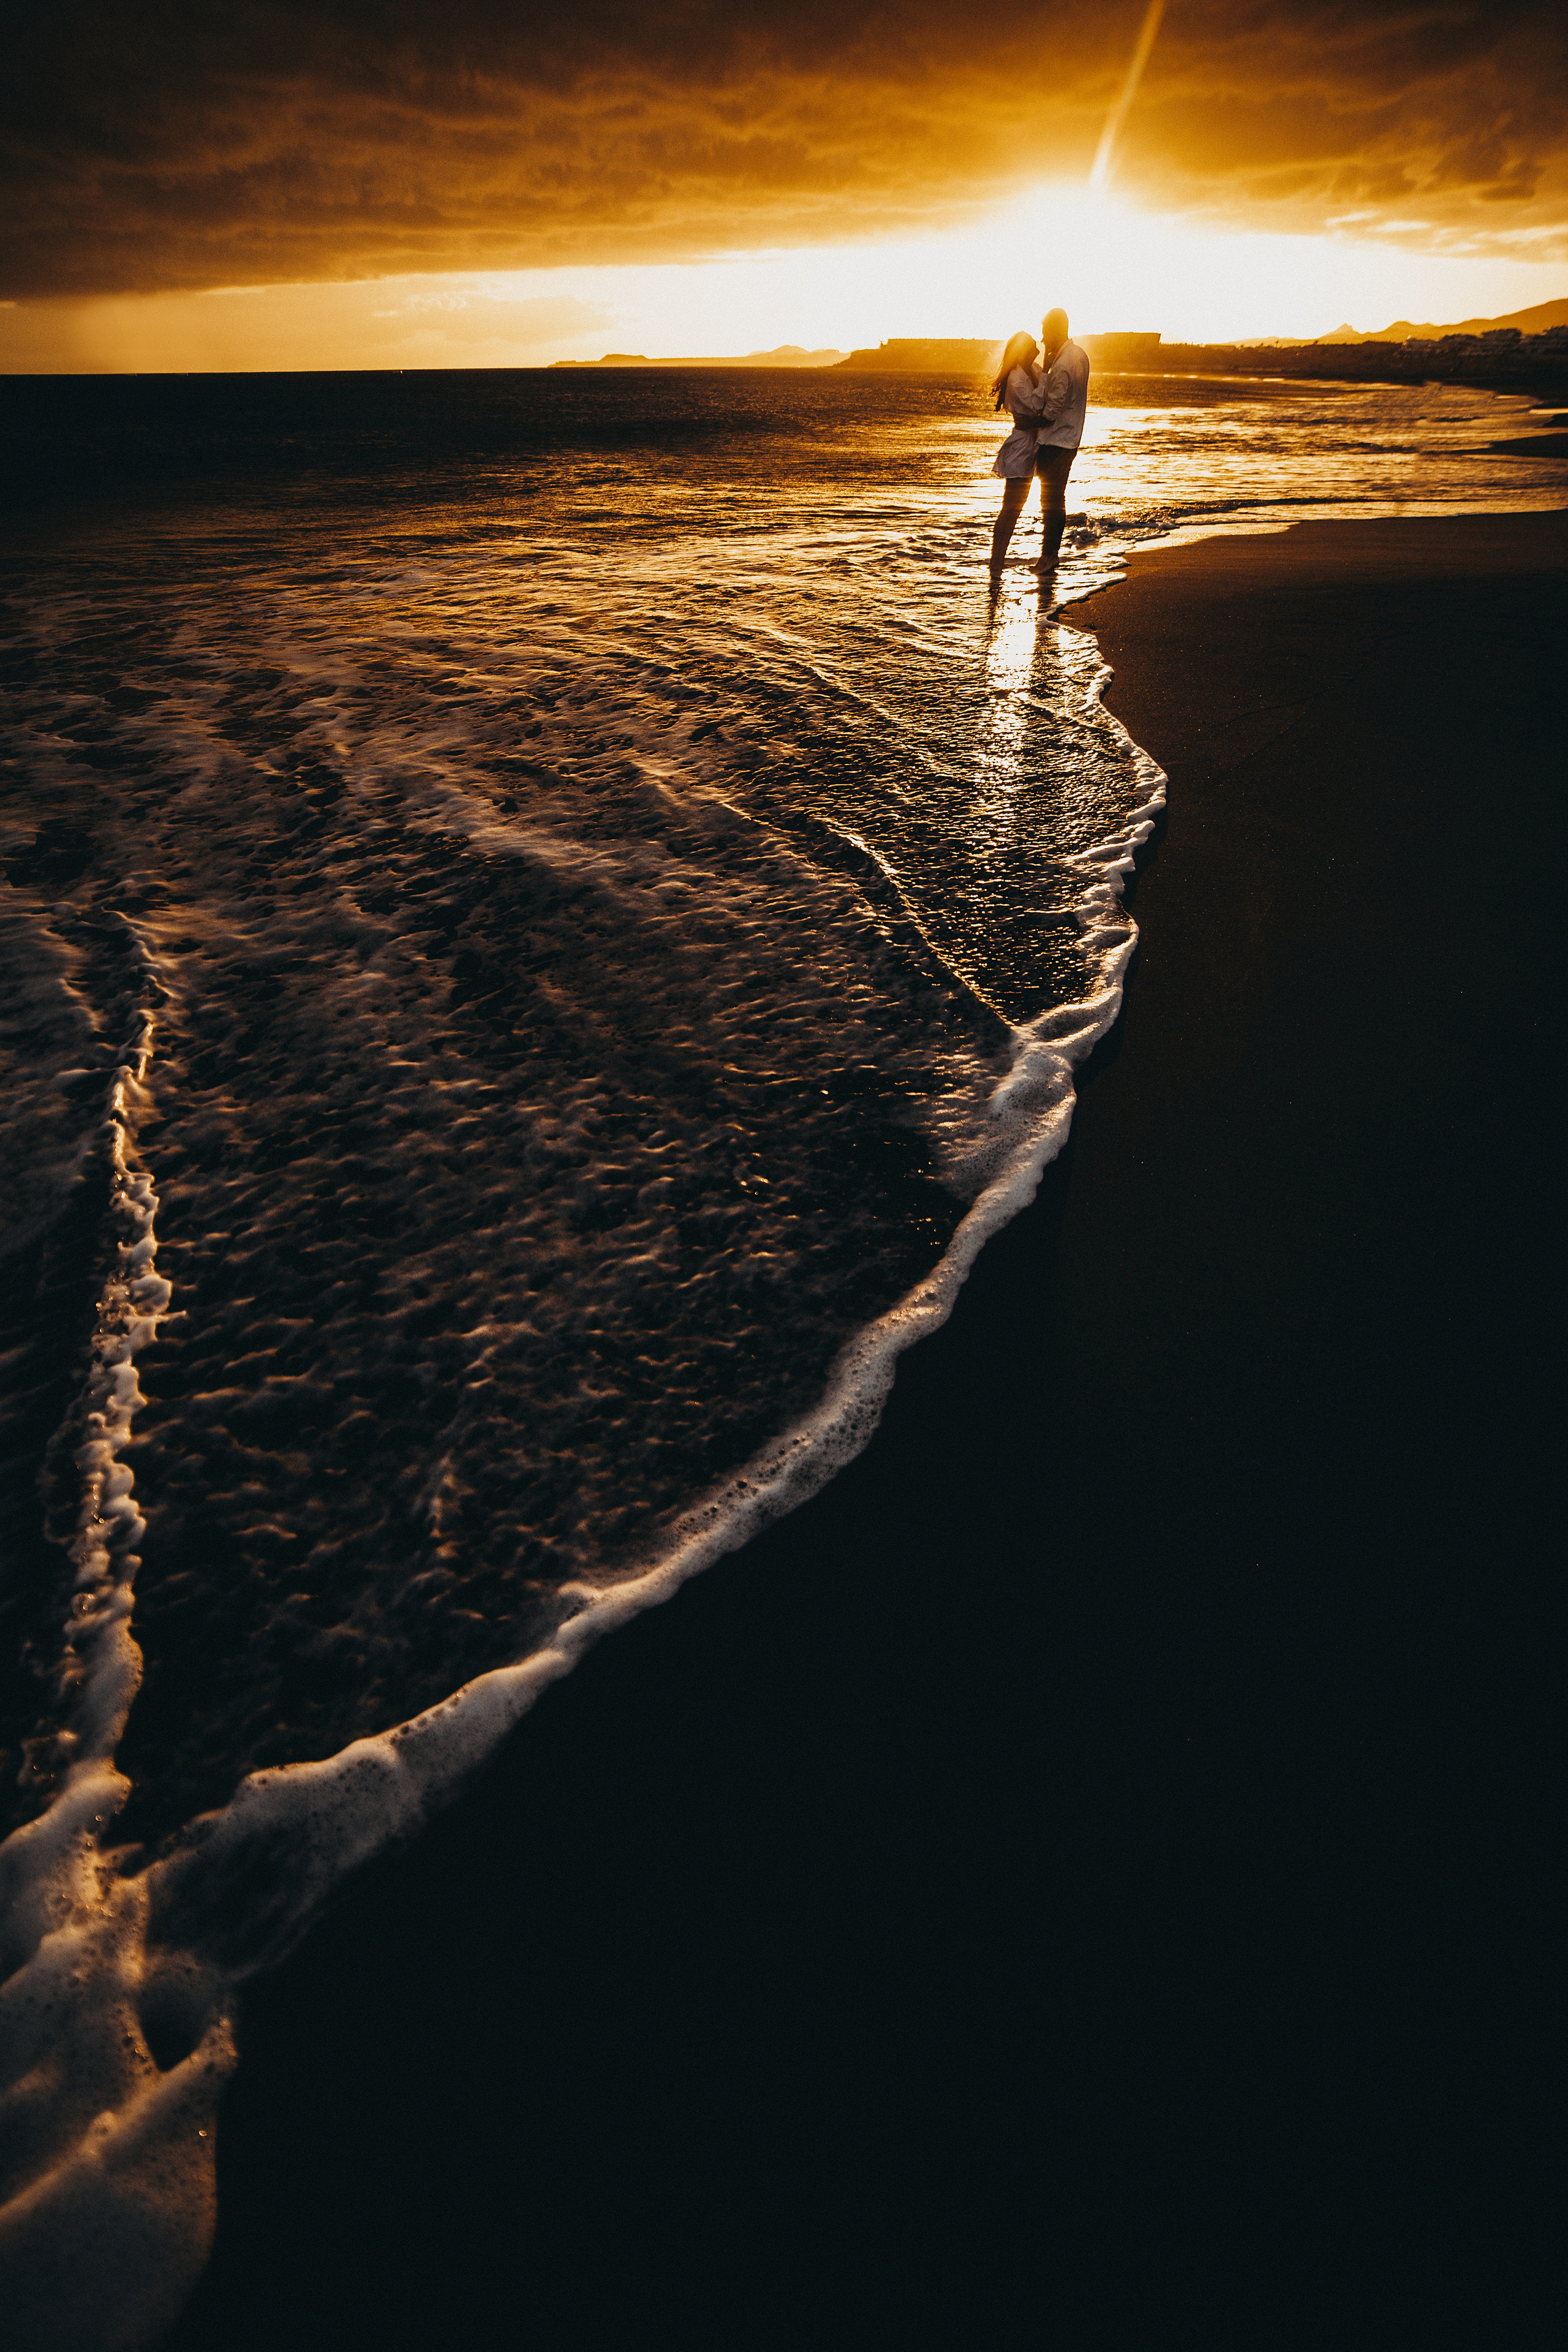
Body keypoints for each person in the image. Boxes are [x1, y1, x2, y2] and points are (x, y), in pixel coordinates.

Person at [1032, 306, 1090, 575]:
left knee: (1051, 500)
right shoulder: (1079, 355)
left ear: (1056, 330)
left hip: (1056, 440)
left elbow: (1052, 410)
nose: (1043, 339)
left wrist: (1029, 423)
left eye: (1045, 332)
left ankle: (1049, 556)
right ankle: (1049, 554)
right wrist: (1046, 366)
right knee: (1055, 498)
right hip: (1070, 438)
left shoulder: (1065, 363)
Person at [987, 330, 1047, 571]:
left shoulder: (1034, 370)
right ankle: (996, 562)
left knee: (1016, 508)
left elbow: (1043, 404)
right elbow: (1035, 406)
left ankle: (998, 561)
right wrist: (1044, 418)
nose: (1037, 346)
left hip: (1032, 444)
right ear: (1023, 349)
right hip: (1020, 447)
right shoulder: (1016, 377)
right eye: (1032, 344)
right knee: (1010, 509)